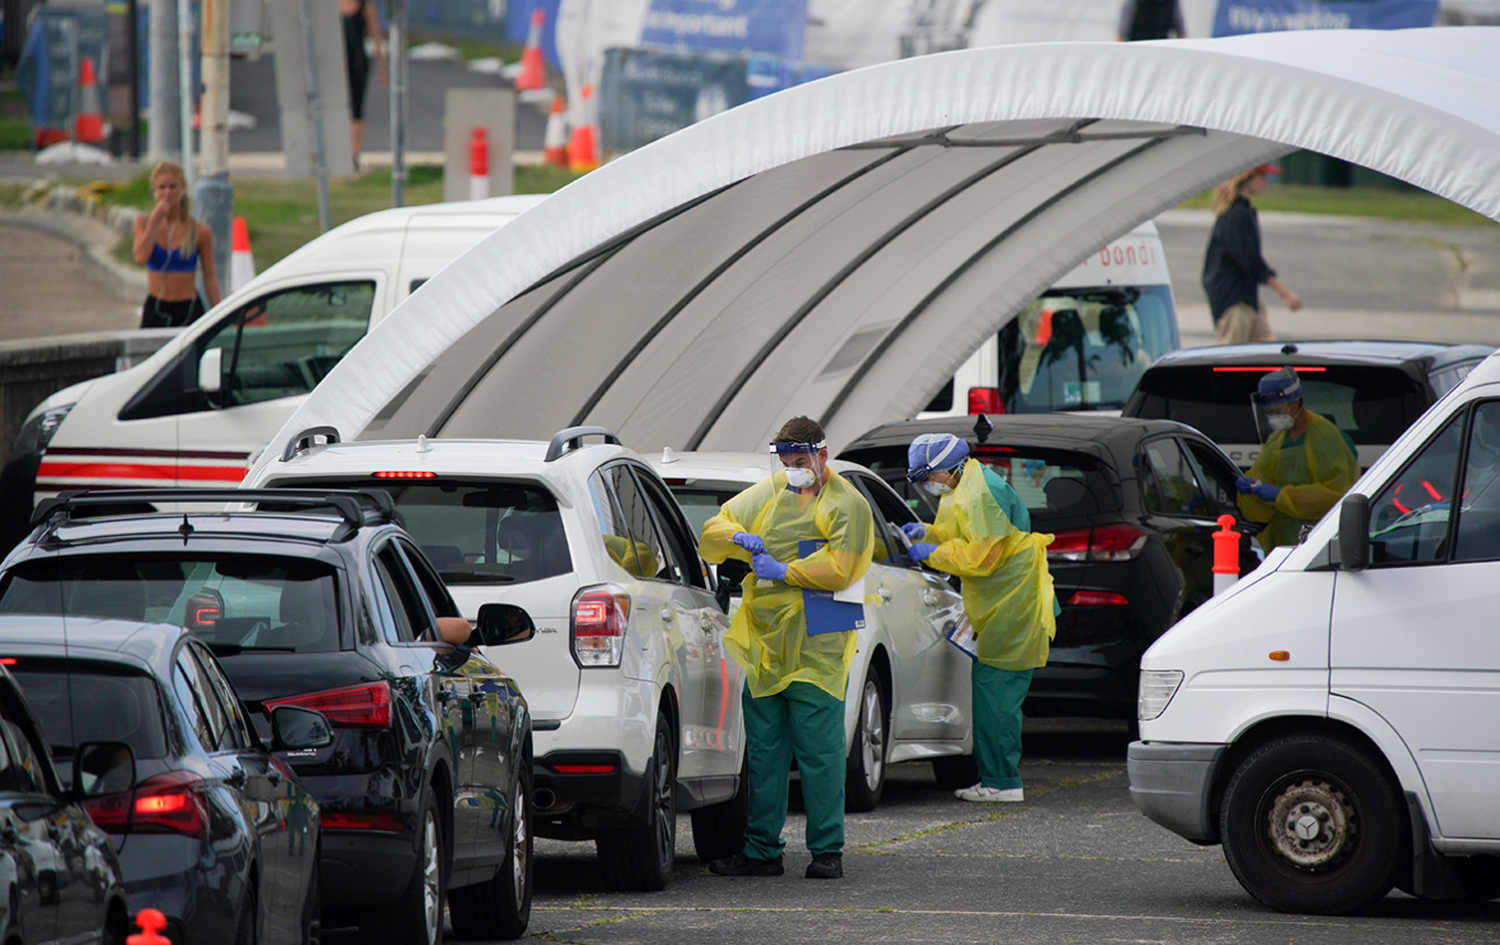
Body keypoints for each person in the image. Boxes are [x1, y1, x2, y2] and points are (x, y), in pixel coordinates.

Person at [698, 416, 875, 880]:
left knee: (820, 754)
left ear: (822, 455)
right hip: (766, 645)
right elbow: (712, 528)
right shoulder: (774, 490)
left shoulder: (847, 505)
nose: (794, 468)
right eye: (787, 460)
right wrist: (735, 536)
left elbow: (845, 567)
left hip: (819, 645)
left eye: (801, 460)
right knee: (764, 753)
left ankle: (827, 851)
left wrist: (786, 571)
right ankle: (761, 852)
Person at [903, 433, 1057, 803]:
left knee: (997, 698)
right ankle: (995, 777)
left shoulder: (980, 492)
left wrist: (931, 553)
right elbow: (955, 532)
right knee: (990, 692)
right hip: (999, 604)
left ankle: (1003, 783)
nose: (928, 484)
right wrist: (926, 533)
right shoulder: (964, 484)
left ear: (947, 468)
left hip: (1013, 605)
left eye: (929, 476)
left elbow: (981, 559)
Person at [1237, 367, 1359, 551]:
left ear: (1294, 402)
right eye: (1269, 410)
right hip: (1281, 547)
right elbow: (1261, 474)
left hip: (1318, 543)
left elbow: (1335, 493)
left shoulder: (1325, 436)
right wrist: (1248, 487)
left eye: (1277, 409)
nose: (1272, 414)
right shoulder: (1279, 439)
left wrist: (1282, 495)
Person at [1201, 163, 1302, 345]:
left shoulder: (1245, 211)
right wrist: (1284, 293)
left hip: (1248, 297)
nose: (1266, 182)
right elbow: (1252, 261)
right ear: (1247, 178)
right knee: (1230, 358)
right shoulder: (1236, 215)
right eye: (1262, 177)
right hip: (1233, 300)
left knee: (1266, 347)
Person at [131, 159, 220, 329]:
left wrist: (219, 311)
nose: (168, 193)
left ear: (183, 189)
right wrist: (155, 221)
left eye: (173, 186)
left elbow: (210, 276)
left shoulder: (200, 231)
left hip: (188, 307)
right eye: (162, 187)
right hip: (157, 306)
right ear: (155, 191)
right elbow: (140, 257)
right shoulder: (143, 223)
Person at [341, 0, 387, 170]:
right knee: (335, 106)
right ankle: (337, 150)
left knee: (356, 107)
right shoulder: (330, 6)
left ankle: (354, 154)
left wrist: (383, 66)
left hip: (357, 62)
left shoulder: (366, 6)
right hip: (336, 64)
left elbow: (375, 35)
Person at [1117, 0, 1185, 41]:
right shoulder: (1135, 2)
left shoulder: (1170, 2)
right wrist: (1121, 37)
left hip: (1161, 41)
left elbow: (1177, 19)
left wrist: (1181, 36)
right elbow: (1126, 21)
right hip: (1138, 42)